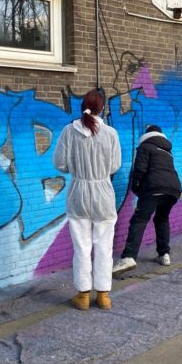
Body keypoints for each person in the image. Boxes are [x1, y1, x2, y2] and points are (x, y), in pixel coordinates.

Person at [53, 89, 121, 310]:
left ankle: (83, 295)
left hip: (78, 192)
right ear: (102, 109)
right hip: (103, 192)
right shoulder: (110, 133)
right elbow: (114, 166)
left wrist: (77, 168)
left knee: (81, 246)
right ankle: (103, 295)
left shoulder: (68, 131)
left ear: (82, 107)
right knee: (104, 246)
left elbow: (59, 164)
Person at [112, 124, 181, 274]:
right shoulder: (167, 151)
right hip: (173, 190)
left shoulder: (145, 147)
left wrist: (136, 188)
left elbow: (140, 169)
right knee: (161, 219)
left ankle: (129, 257)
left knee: (139, 220)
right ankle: (164, 254)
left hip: (154, 189)